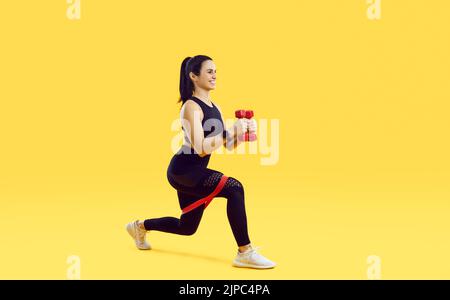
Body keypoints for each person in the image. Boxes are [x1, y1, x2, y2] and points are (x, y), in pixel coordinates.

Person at [126, 55, 276, 269]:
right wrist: (228, 131)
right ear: (193, 76)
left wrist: (241, 135)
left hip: (195, 172)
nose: (214, 75)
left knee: (187, 227)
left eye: (215, 71)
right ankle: (245, 252)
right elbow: (200, 147)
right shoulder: (190, 107)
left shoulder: (215, 107)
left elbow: (227, 145)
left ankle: (139, 226)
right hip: (182, 171)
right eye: (209, 71)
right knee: (235, 188)